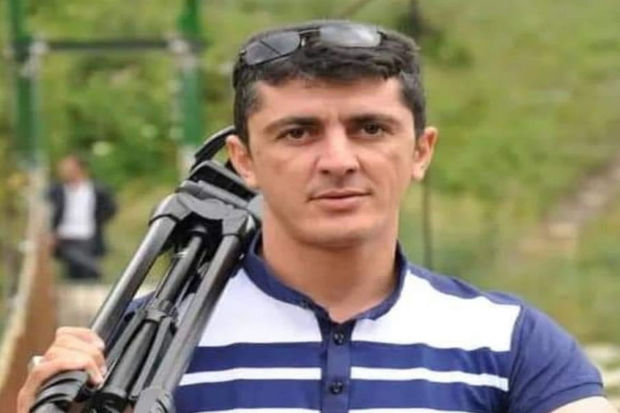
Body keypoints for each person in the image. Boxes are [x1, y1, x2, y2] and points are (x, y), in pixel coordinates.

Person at [18, 20, 616, 413]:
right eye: (298, 132)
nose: (337, 160)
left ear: (421, 151)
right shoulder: (137, 347)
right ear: (244, 160)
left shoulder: (512, 343)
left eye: (370, 128)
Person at [47, 154, 117, 281]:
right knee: (74, 266)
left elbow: (110, 209)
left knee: (85, 273)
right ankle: (94, 270)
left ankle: (93, 273)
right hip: (64, 236)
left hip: (87, 235)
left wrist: (98, 221)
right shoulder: (56, 191)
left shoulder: (97, 190)